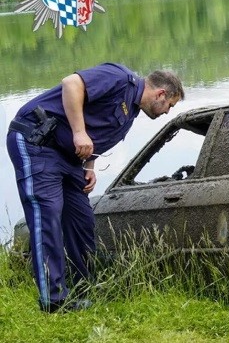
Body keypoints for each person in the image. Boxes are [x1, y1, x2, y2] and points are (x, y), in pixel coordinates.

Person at [6, 63, 184, 313]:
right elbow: (72, 84)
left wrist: (89, 166)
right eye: (170, 106)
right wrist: (78, 132)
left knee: (81, 220)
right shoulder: (119, 78)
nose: (167, 112)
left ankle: (82, 290)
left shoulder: (131, 109)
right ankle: (54, 301)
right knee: (47, 216)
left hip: (69, 158)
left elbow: (96, 132)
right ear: (161, 94)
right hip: (37, 142)